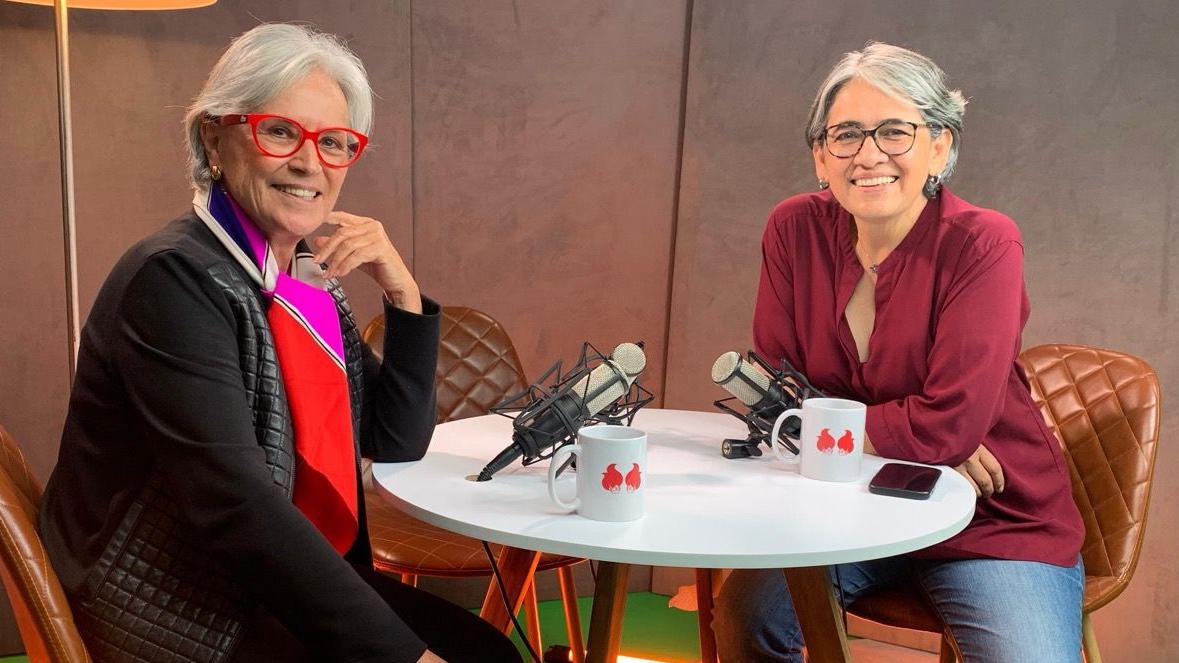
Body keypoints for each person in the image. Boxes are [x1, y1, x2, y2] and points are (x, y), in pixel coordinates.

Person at [37, 24, 520, 663]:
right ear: (214, 139)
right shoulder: (175, 279)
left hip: (263, 581)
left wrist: (402, 293)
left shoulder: (299, 274)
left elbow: (393, 437)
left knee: (488, 651)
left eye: (335, 143)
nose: (309, 163)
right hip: (178, 606)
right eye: (280, 131)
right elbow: (238, 509)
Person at [713, 42, 1086, 662]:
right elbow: (776, 401)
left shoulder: (986, 242)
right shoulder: (792, 228)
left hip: (989, 517)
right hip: (845, 503)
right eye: (847, 135)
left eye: (895, 131)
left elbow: (949, 422)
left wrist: (933, 446)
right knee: (747, 621)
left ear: (940, 146)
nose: (869, 154)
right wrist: (928, 449)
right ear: (819, 156)